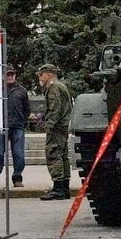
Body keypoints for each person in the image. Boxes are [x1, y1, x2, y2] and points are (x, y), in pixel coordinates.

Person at [35, 64, 75, 202]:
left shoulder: (53, 86)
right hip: (62, 125)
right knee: (62, 156)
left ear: (47, 74)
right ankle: (64, 188)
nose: (39, 78)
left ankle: (58, 188)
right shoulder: (59, 85)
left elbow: (55, 107)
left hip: (57, 126)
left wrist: (49, 124)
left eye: (40, 75)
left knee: (53, 154)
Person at [0, 66, 29, 189]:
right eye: (7, 75)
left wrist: (23, 121)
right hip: (1, 126)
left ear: (15, 76)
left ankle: (17, 178)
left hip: (17, 127)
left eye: (12, 74)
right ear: (2, 76)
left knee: (19, 154)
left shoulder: (21, 90)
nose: (10, 77)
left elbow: (27, 109)